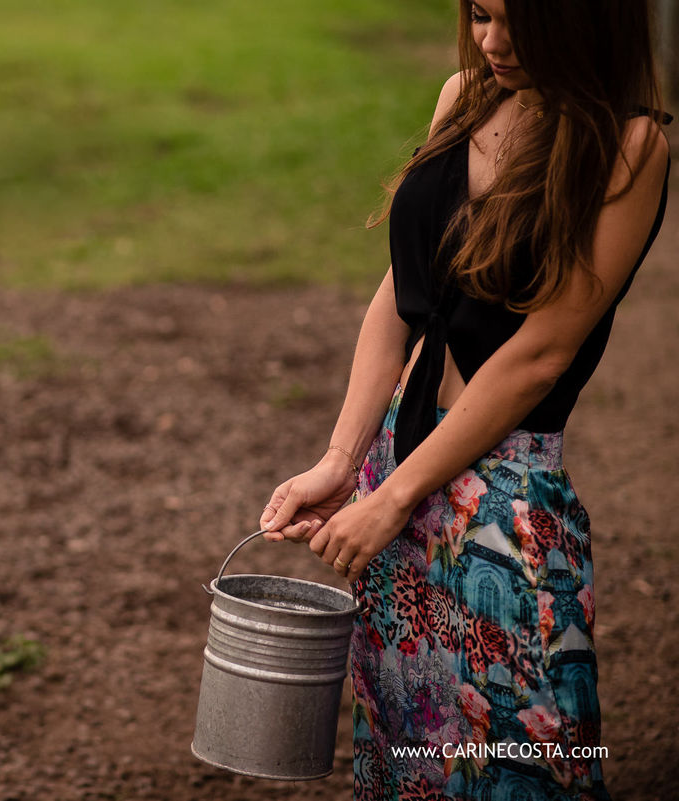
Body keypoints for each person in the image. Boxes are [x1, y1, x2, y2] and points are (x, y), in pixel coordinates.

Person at [256, 1, 671, 797]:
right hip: (394, 462)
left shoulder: (628, 145)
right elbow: (400, 295)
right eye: (480, 14)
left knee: (520, 758)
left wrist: (397, 494)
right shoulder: (464, 97)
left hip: (506, 499)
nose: (492, 42)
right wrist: (343, 462)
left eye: (523, 21)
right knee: (405, 737)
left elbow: (542, 353)